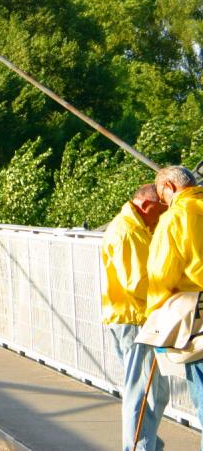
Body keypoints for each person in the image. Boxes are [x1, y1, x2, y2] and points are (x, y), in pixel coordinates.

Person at [101, 184, 170, 451]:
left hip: (131, 318)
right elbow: (138, 282)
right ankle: (140, 447)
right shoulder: (129, 232)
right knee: (145, 393)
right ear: (146, 205)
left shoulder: (133, 227)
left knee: (150, 392)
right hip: (136, 319)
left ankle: (146, 444)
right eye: (161, 210)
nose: (163, 215)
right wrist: (170, 296)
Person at [146, 165, 203, 435]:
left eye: (161, 196)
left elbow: (161, 275)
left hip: (197, 317)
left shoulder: (175, 218)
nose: (163, 203)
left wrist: (156, 319)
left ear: (169, 187)